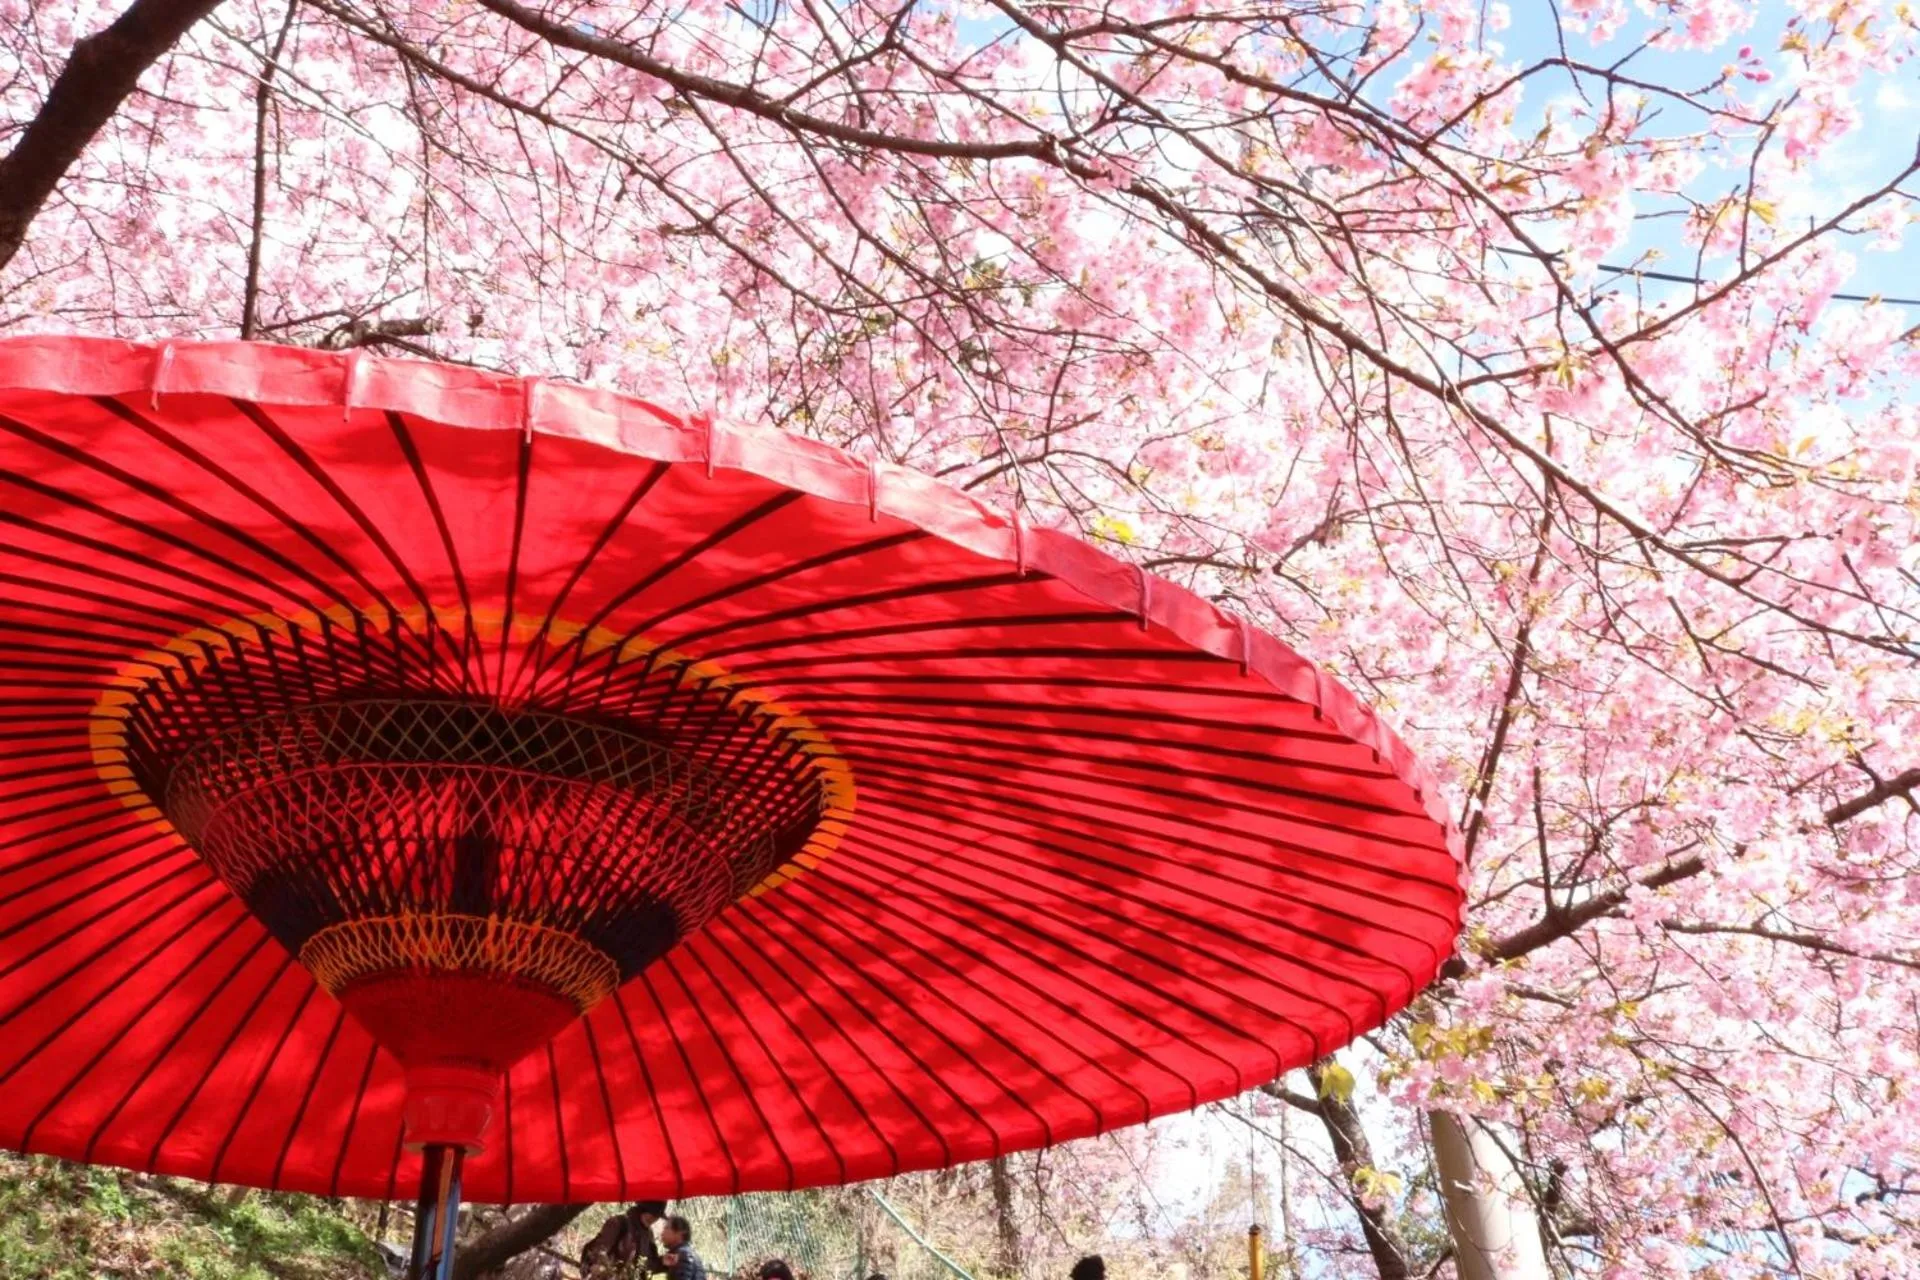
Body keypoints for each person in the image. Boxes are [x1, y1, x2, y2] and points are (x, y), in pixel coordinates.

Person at [581, 1200, 667, 1279]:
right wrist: (603, 1269)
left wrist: (662, 1262)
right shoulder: (619, 1223)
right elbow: (598, 1253)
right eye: (655, 1215)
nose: (656, 1219)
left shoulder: (648, 1235)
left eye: (657, 1216)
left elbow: (646, 1267)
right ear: (646, 1210)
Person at [659, 1214, 708, 1280]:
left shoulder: (683, 1255)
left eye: (666, 1228)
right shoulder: (683, 1253)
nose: (662, 1233)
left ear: (679, 1233)